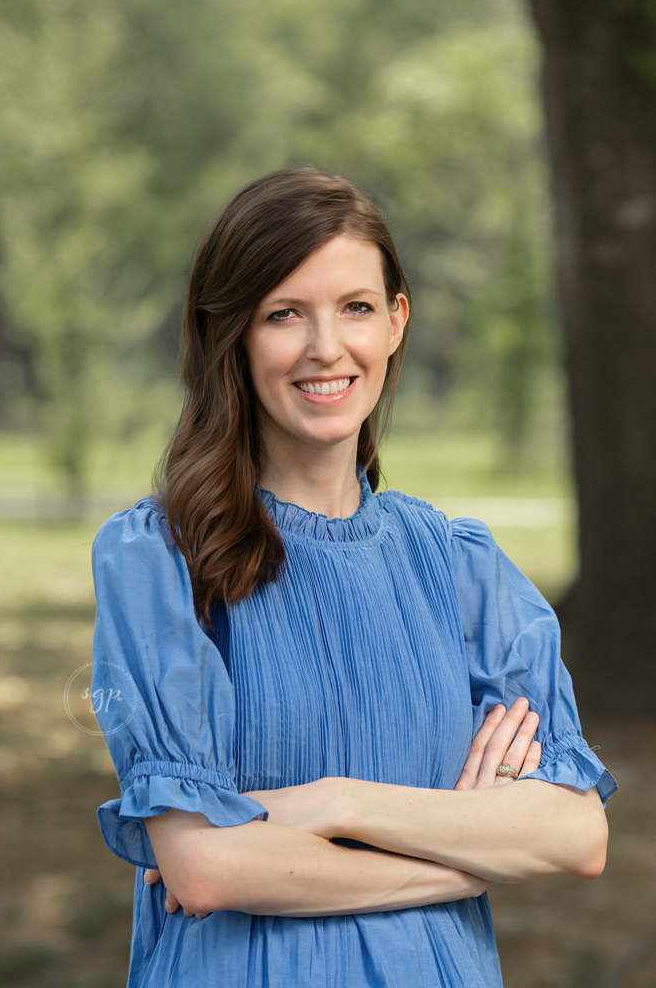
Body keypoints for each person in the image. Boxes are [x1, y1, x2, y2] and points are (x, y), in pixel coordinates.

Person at [91, 167, 616, 988]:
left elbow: (574, 836)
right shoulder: (160, 560)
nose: (324, 348)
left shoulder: (459, 566)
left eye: (356, 308)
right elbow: (204, 871)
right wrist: (465, 856)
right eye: (283, 314)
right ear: (232, 333)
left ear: (396, 322)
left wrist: (337, 802)